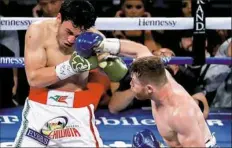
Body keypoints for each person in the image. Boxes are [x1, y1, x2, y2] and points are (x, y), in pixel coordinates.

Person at [13, 0, 152, 147]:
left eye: (78, 36)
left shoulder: (94, 37)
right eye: (69, 32)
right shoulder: (38, 31)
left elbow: (118, 75)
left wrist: (108, 61)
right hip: (41, 108)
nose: (72, 40)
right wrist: (72, 66)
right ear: (59, 18)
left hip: (78, 111)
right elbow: (34, 79)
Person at [130, 56, 217, 147]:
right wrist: (115, 46)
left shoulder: (180, 114)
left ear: (149, 89)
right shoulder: (158, 77)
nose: (130, 84)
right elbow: (141, 50)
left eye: (134, 82)